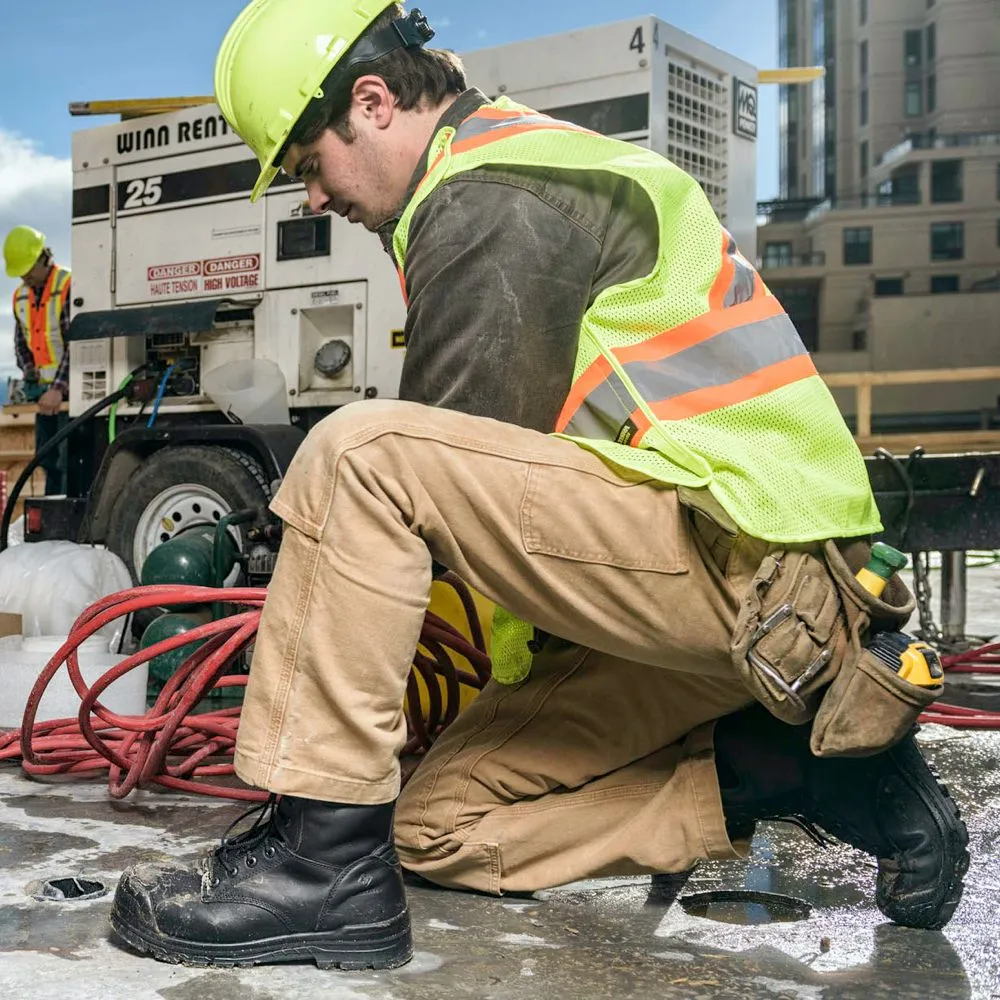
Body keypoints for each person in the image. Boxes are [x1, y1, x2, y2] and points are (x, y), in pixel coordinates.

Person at [109, 0, 969, 970]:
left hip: (760, 574)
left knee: (359, 453)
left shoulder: (496, 196)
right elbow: (507, 502)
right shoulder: (503, 182)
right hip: (715, 613)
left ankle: (319, 866)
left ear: (374, 100)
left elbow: (434, 483)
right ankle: (778, 774)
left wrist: (329, 729)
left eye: (310, 164)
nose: (315, 198)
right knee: (433, 824)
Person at [3, 225, 71, 495]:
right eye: (21, 272)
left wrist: (59, 388)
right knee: (47, 462)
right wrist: (29, 370)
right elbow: (21, 342)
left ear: (44, 258)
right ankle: (52, 528)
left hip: (70, 397)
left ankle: (72, 530)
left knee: (71, 464)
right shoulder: (21, 296)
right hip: (44, 398)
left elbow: (77, 344)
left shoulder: (67, 286)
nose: (25, 277)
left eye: (29, 270)